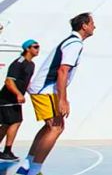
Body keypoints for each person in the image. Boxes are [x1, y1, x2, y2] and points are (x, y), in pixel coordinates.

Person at [17, 13, 95, 175]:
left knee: (50, 127)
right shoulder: (74, 44)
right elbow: (62, 71)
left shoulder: (71, 42)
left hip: (43, 89)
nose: (94, 26)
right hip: (46, 90)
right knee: (56, 128)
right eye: (92, 23)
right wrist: (63, 100)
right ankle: (35, 170)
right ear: (84, 26)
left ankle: (27, 164)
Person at [0, 40, 39, 162]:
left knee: (7, 124)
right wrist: (18, 94)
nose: (38, 49)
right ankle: (7, 150)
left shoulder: (31, 64)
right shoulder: (19, 63)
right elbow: (9, 81)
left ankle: (6, 150)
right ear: (27, 48)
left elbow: (25, 83)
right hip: (7, 98)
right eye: (35, 47)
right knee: (15, 122)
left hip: (15, 99)